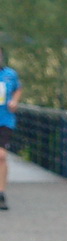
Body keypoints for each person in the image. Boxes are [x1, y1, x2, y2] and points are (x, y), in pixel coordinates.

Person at [0, 46, 19, 211]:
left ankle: (1, 193)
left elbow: (18, 88)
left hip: (5, 120)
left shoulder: (9, 74)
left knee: (1, 156)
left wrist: (14, 100)